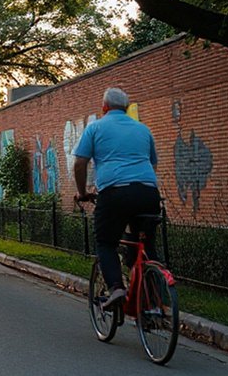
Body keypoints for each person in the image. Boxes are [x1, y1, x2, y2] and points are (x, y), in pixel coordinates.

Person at [72, 87, 160, 309]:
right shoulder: (143, 129)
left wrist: (82, 193)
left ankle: (116, 288)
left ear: (104, 107)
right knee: (145, 242)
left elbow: (80, 163)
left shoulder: (95, 128)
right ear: (127, 107)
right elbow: (153, 163)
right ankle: (153, 297)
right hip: (148, 192)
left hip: (114, 193)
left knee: (106, 242)